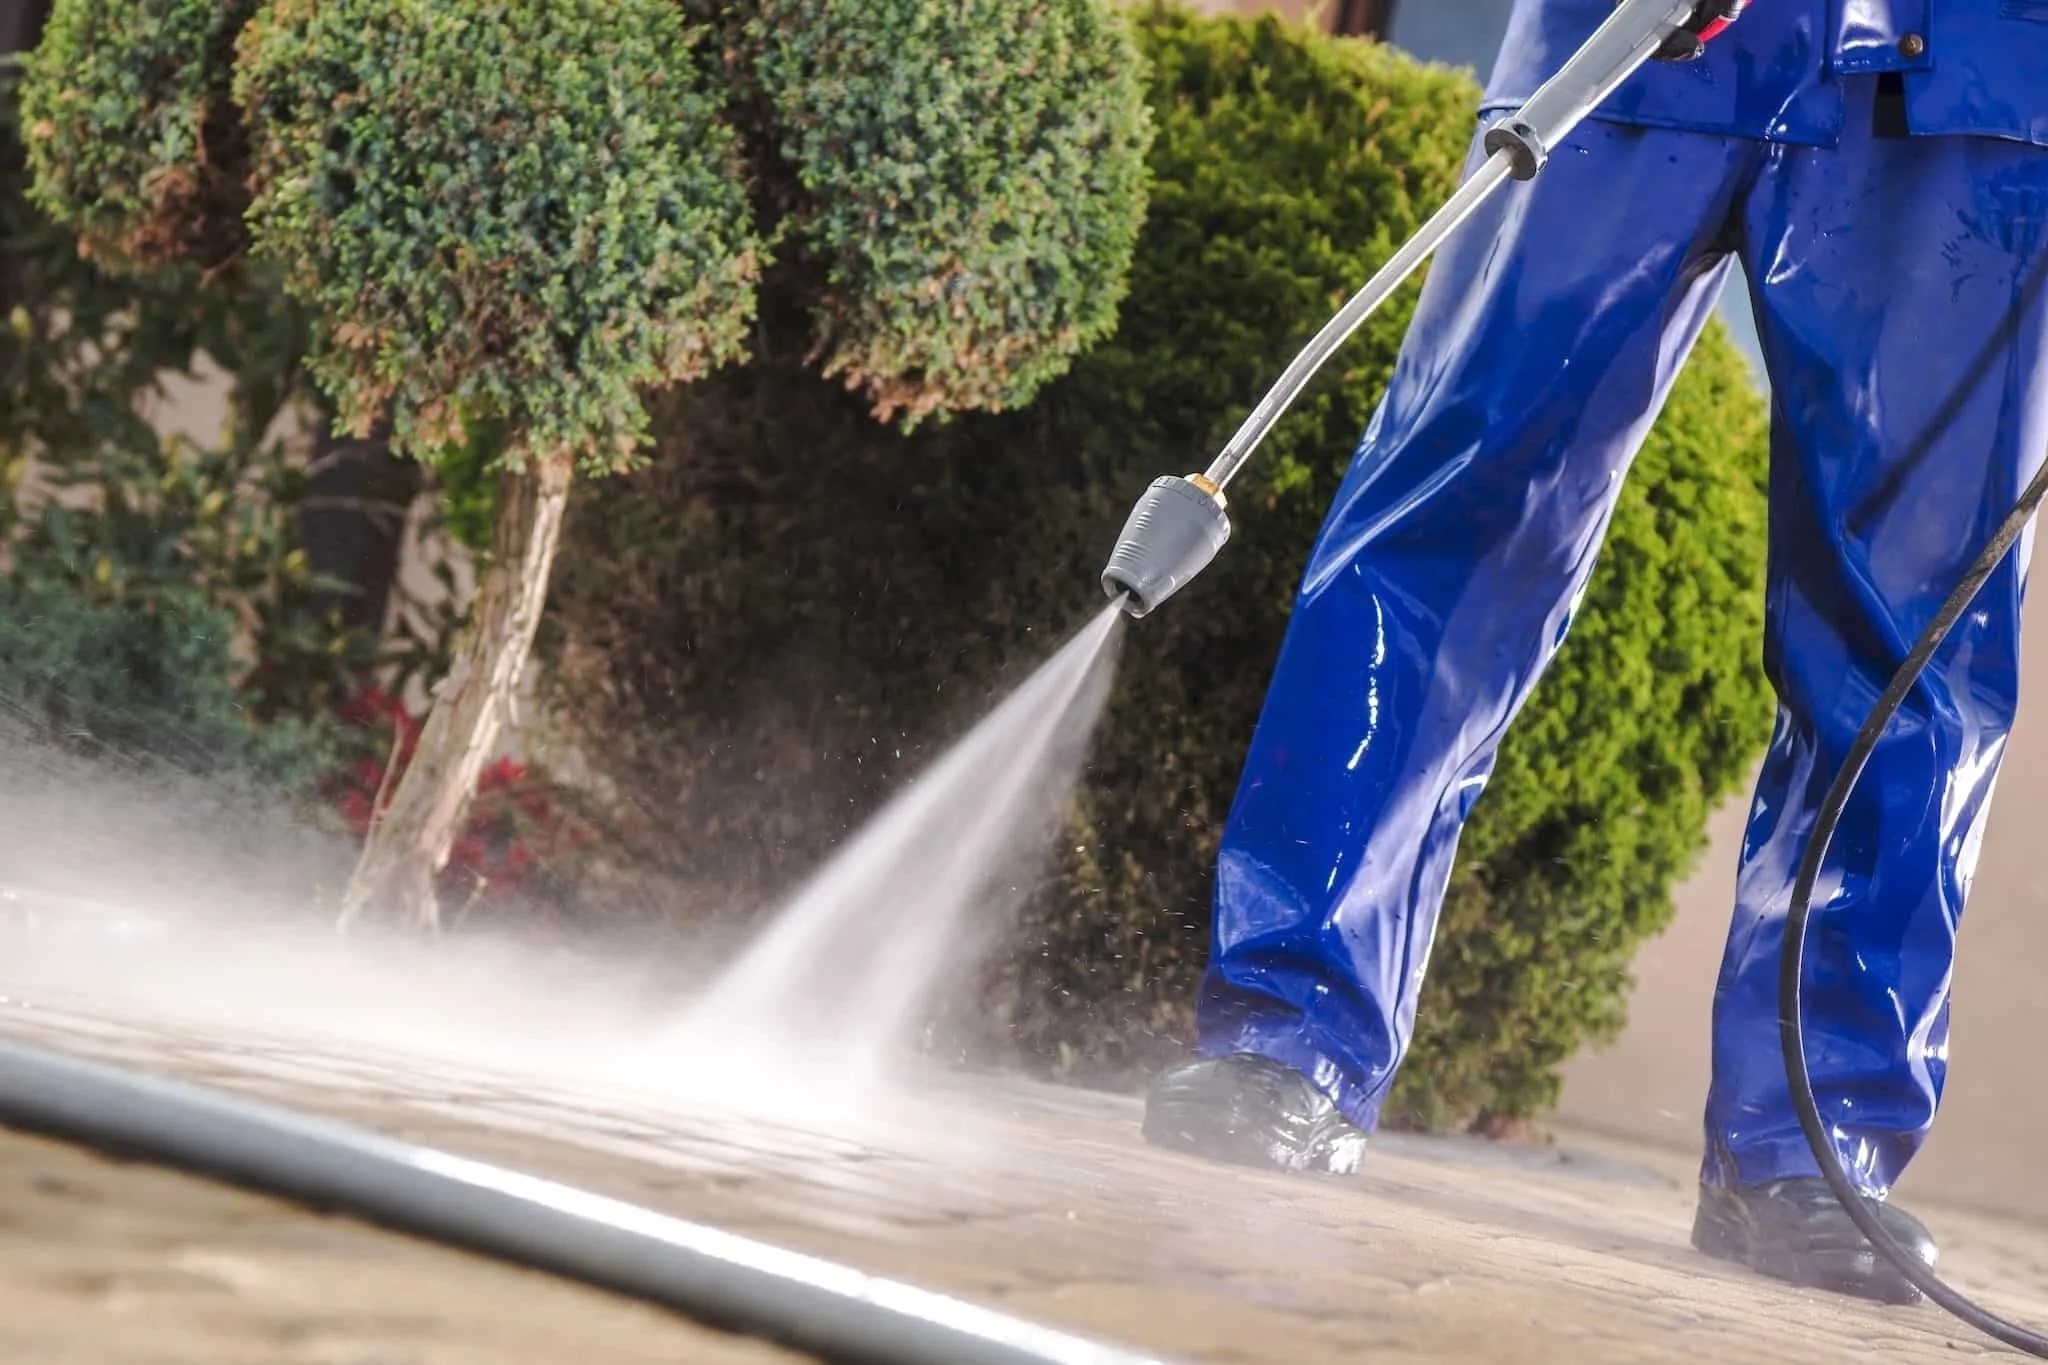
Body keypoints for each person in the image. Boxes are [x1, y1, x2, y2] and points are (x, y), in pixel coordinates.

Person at [1141, 0, 2048, 1306]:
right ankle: (1291, 1038)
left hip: (1973, 70)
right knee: (1460, 503)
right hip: (1641, 42)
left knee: (1916, 628)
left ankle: (1809, 1146)